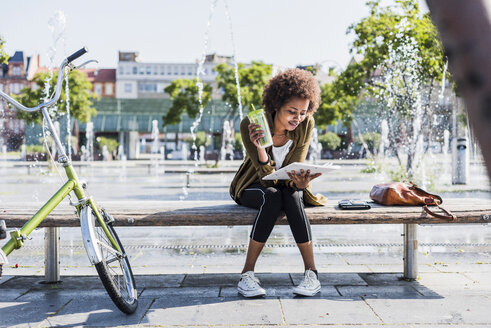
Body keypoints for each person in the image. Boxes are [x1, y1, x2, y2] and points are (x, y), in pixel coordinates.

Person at [229, 68, 327, 297]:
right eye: (292, 111)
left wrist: (302, 184)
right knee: (272, 195)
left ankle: (312, 274)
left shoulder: (306, 124)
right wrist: (262, 150)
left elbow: (295, 169)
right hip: (253, 185)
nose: (298, 118)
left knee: (292, 195)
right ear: (275, 106)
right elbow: (263, 176)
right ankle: (247, 275)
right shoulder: (251, 124)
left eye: (303, 112)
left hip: (287, 187)